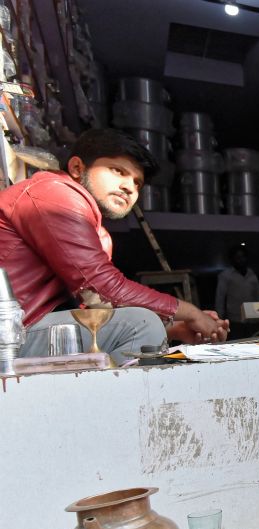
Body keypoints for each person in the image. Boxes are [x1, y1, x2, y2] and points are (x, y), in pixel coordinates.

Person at [0, 128, 227, 364]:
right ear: (77, 168)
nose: (129, 187)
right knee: (140, 323)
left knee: (140, 324)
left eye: (137, 183)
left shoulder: (95, 230)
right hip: (7, 336)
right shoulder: (54, 194)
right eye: (117, 171)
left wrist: (173, 329)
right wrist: (190, 312)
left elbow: (93, 307)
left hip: (20, 332)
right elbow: (103, 288)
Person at [215, 243, 259, 339]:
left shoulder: (252, 275)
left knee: (255, 345)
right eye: (237, 257)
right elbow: (220, 298)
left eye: (243, 257)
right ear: (232, 259)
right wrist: (219, 319)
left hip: (253, 320)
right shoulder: (226, 275)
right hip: (235, 321)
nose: (241, 260)